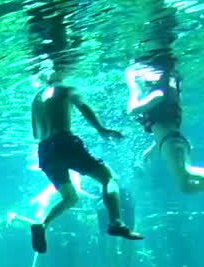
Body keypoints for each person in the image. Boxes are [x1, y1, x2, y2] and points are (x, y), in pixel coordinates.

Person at [29, 70, 143, 254]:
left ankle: (42, 224)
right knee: (109, 178)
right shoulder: (65, 87)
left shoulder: (36, 98)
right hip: (64, 141)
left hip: (44, 151)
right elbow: (83, 106)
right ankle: (116, 222)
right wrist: (101, 128)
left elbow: (36, 134)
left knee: (70, 197)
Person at [125, 64, 204, 210]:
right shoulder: (157, 103)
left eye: (141, 79)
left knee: (187, 171)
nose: (140, 82)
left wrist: (133, 87)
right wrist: (150, 151)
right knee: (187, 187)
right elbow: (159, 130)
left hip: (171, 143)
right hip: (171, 142)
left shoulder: (156, 96)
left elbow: (132, 110)